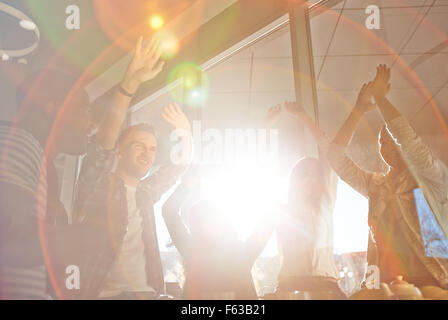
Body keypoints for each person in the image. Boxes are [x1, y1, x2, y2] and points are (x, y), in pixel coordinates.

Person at [291, 64, 448, 298]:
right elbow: (335, 157)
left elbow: (406, 139)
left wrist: (380, 98)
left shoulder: (431, 178)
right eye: (382, 141)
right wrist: (359, 109)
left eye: (393, 140)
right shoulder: (377, 186)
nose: (388, 145)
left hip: (433, 282)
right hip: (383, 284)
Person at [72, 37, 193, 300]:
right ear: (120, 151)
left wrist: (185, 132)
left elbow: (179, 165)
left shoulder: (145, 193)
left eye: (151, 149)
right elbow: (103, 145)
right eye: (138, 146)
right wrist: (129, 85)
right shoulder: (98, 185)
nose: (147, 154)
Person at [0, 67, 95, 299]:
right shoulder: (19, 144)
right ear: (52, 108)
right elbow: (7, 238)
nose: (92, 124)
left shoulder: (40, 160)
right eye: (85, 111)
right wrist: (85, 237)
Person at [263, 107, 345, 299]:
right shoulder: (281, 210)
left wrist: (306, 119)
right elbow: (264, 174)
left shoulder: (325, 203)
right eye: (304, 174)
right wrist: (265, 130)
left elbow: (330, 153)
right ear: (294, 181)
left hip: (326, 286)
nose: (309, 179)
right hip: (290, 285)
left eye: (315, 175)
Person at [161, 167, 274, 299]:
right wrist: (188, 183)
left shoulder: (193, 252)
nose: (207, 225)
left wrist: (188, 184)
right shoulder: (194, 251)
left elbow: (269, 219)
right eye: (201, 221)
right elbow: (270, 217)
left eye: (212, 220)